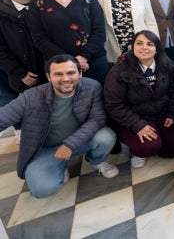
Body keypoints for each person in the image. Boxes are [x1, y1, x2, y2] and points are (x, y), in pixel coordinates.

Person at [0, 54, 119, 198]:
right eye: (58, 74)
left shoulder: (92, 87)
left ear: (80, 73)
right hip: (46, 149)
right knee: (42, 190)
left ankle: (96, 160)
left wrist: (69, 145)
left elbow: (97, 119)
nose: (65, 79)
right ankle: (60, 167)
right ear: (49, 77)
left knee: (106, 136)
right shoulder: (31, 96)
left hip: (78, 142)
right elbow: (4, 116)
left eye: (71, 72)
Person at [104, 30, 174, 169]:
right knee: (149, 146)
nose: (144, 47)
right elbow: (115, 106)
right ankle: (137, 152)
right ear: (133, 47)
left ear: (156, 49)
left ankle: (156, 132)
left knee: (171, 151)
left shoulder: (167, 66)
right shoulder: (118, 71)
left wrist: (171, 114)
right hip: (134, 116)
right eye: (139, 43)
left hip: (160, 113)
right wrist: (138, 125)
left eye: (149, 44)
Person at [29, 0, 109, 85]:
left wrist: (83, 57)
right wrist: (69, 62)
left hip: (92, 62)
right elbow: (39, 37)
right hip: (58, 66)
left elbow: (99, 32)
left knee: (99, 101)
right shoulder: (37, 2)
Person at [0, 0, 47, 145]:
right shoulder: (2, 13)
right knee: (37, 119)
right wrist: (18, 73)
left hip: (57, 70)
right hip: (28, 76)